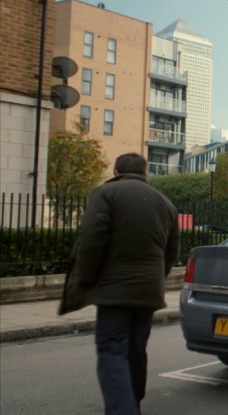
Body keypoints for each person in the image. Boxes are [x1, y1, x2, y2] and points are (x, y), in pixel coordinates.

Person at [59, 152, 179, 415]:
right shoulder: (165, 204)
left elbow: (91, 240)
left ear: (115, 171)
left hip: (115, 292)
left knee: (112, 351)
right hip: (148, 292)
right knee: (136, 351)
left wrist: (88, 278)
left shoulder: (106, 194)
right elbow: (171, 254)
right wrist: (156, 279)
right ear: (145, 172)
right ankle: (133, 403)